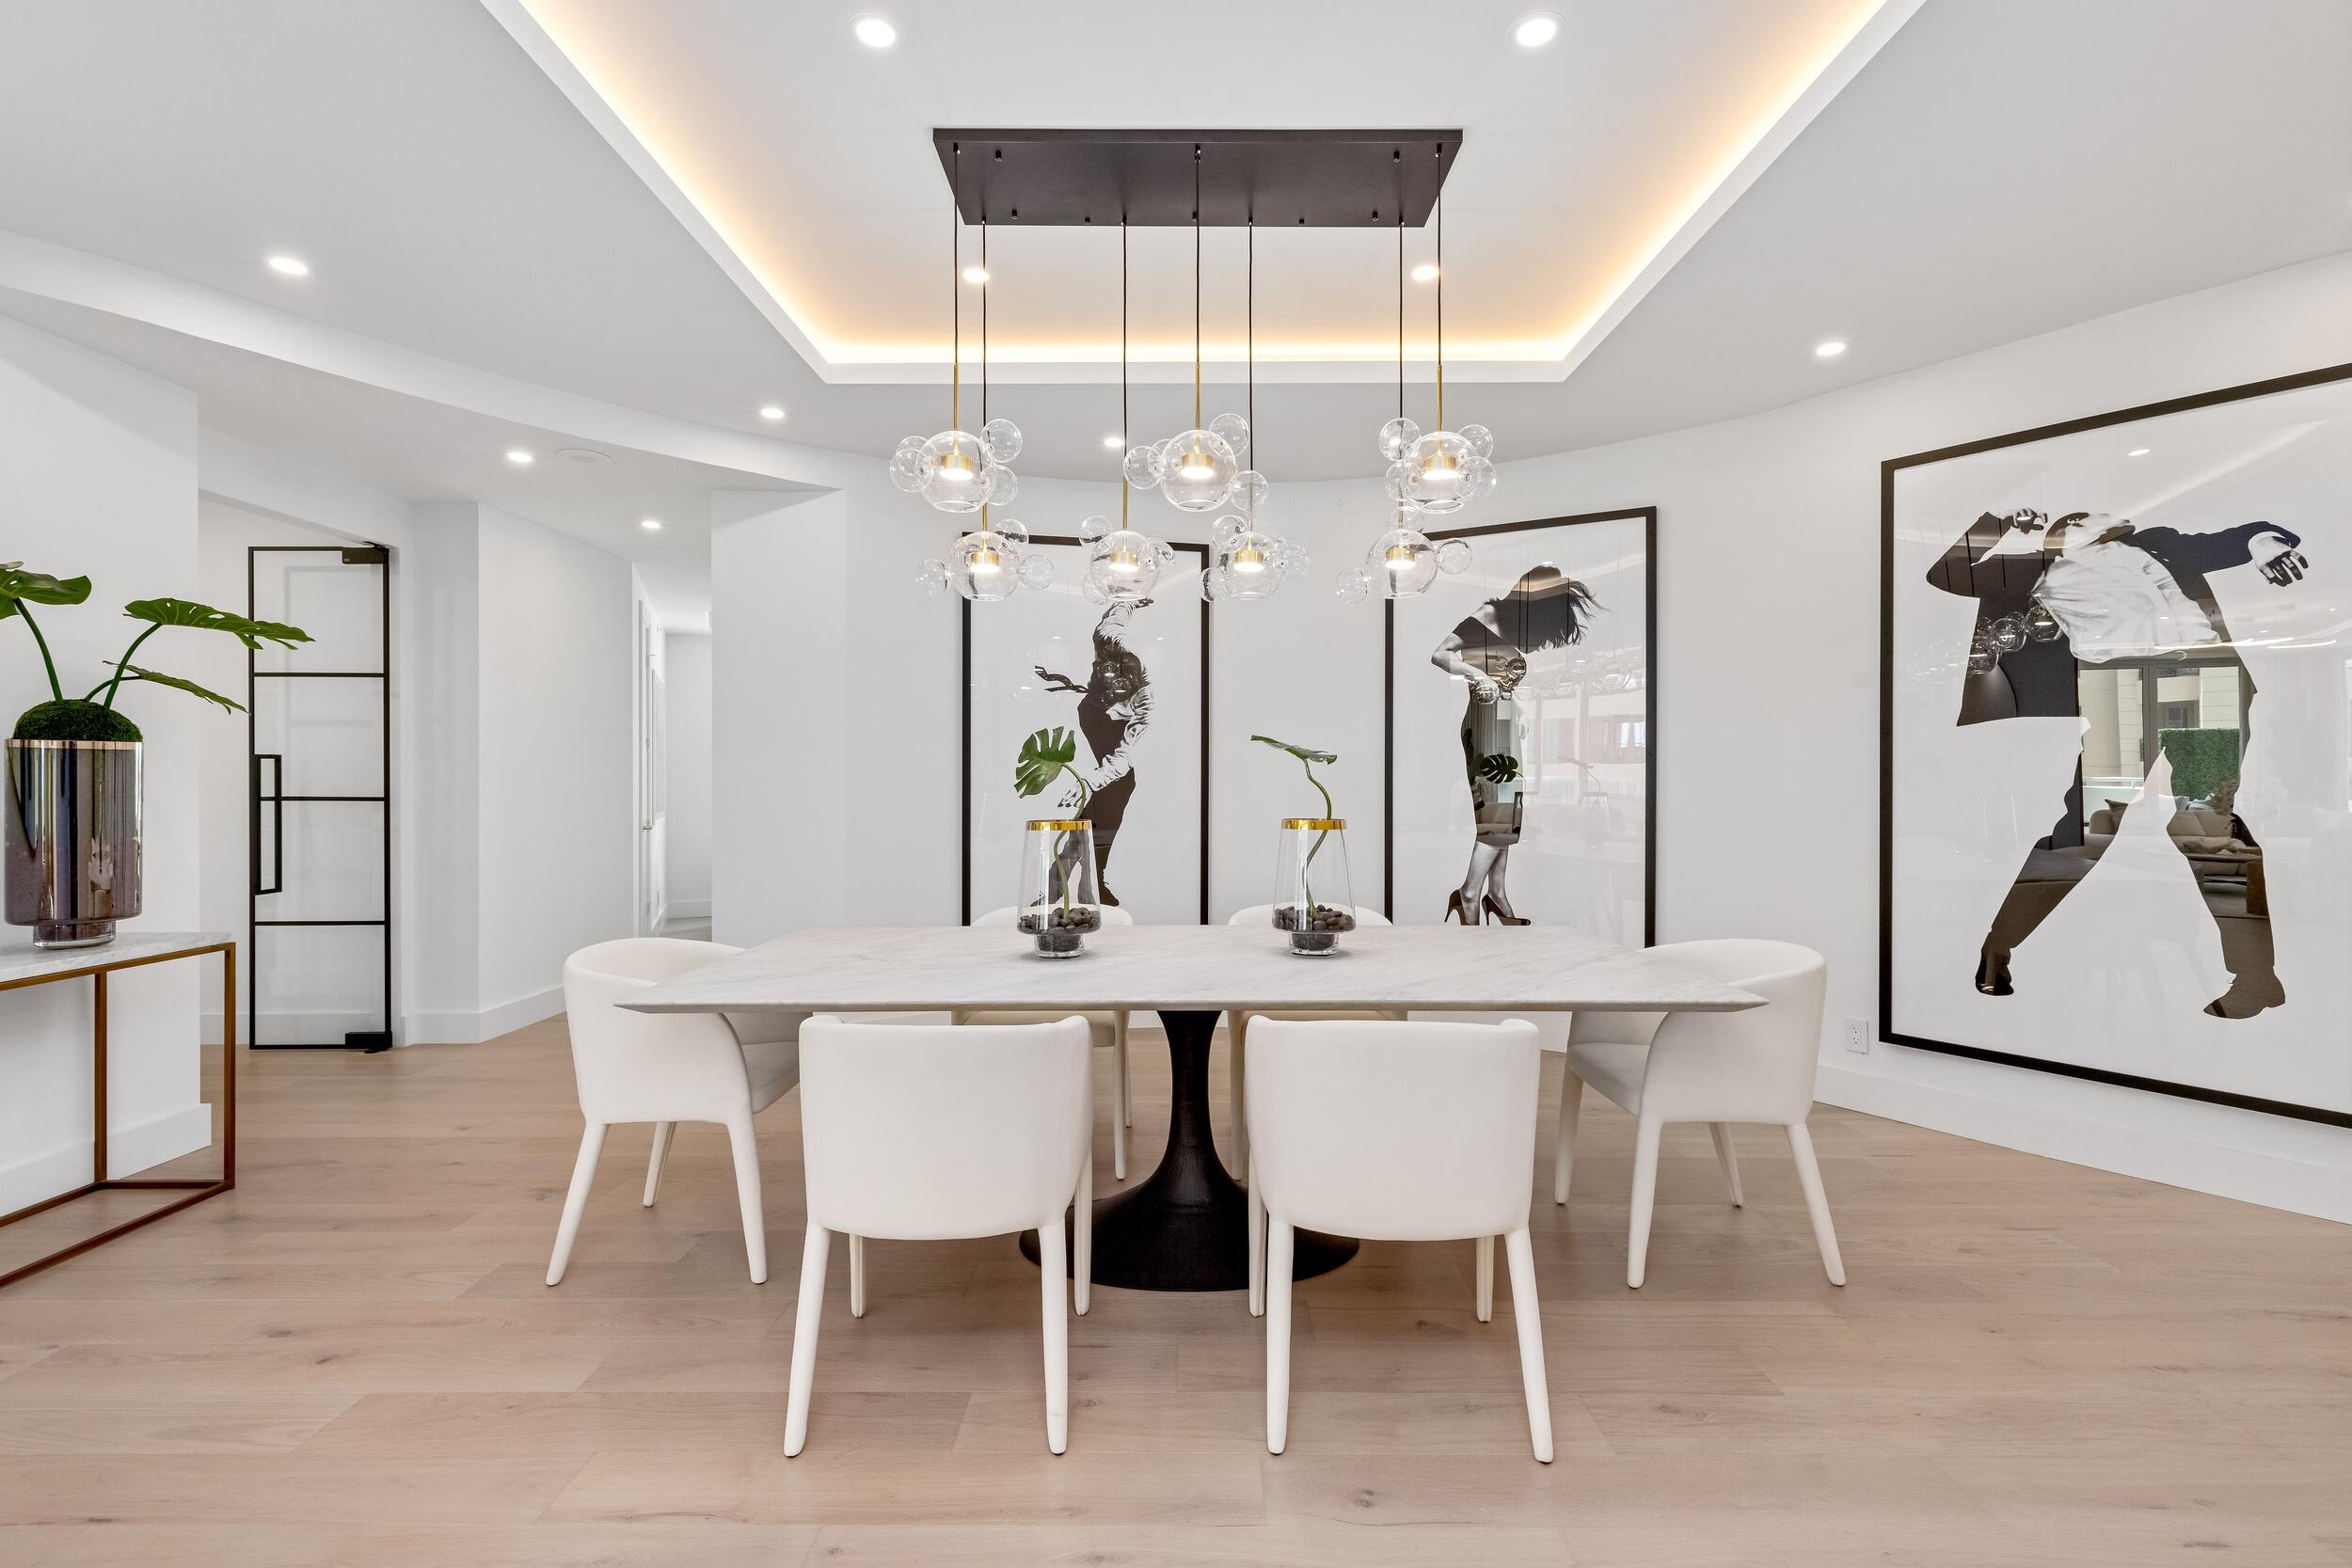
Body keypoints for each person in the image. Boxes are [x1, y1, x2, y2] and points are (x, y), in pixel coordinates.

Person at [1926, 508, 2305, 1018]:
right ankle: (1998, 947)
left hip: (2205, 677)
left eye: (2104, 514)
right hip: (2118, 686)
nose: (2103, 516)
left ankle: (2258, 978)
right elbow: (1947, 574)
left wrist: (2264, 544)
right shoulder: (2037, 572)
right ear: (2061, 533)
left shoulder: (2160, 543)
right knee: (2086, 830)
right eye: (2082, 517)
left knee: (2207, 824)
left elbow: (2238, 536)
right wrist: (2003, 524)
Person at [1428, 564, 1599, 924]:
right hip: (1485, 724)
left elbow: (1505, 684)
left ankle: (1498, 894)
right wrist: (1475, 674)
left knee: (1509, 815)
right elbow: (1441, 654)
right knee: (1496, 817)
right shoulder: (1486, 615)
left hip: (1506, 726)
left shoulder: (1513, 630)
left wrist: (1518, 713)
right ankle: (1470, 894)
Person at [1036, 597, 1152, 907]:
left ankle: (1062, 879)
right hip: (1091, 714)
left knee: (1118, 786)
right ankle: (1090, 882)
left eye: (1117, 683)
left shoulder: (1144, 703)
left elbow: (1123, 757)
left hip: (1116, 730)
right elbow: (1116, 617)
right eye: (1103, 672)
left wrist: (1088, 783)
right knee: (1120, 788)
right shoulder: (1108, 637)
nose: (1105, 678)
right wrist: (1131, 601)